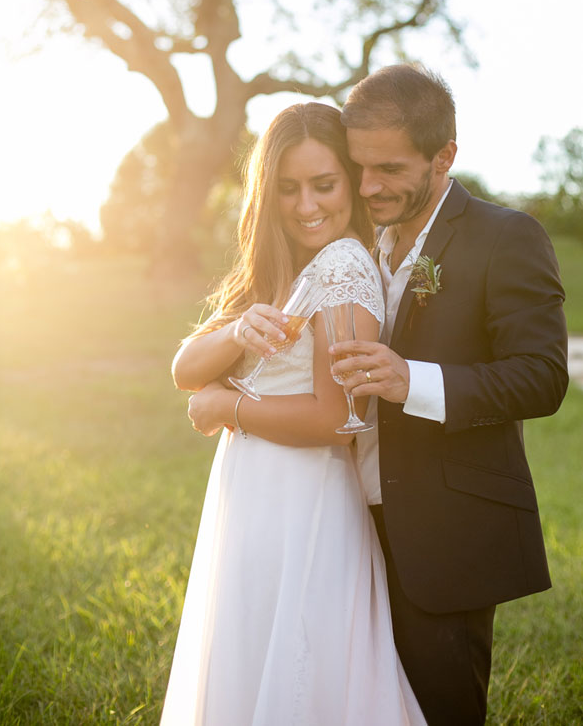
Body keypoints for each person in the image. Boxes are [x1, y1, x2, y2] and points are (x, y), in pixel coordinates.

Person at [160, 102, 426, 725]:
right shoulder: (279, 269)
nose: (307, 205)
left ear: (351, 184)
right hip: (257, 500)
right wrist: (237, 334)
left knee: (299, 668)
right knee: (254, 654)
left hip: (303, 500)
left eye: (324, 185)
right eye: (288, 188)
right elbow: (182, 369)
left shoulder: (340, 266)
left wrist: (227, 404)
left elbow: (334, 419)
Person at [329, 63, 569, 726]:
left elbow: (544, 376)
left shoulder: (505, 236)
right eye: (359, 167)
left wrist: (412, 380)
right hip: (345, 521)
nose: (369, 186)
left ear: (445, 156)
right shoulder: (352, 241)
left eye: (390, 169)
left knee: (440, 707)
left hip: (445, 529)